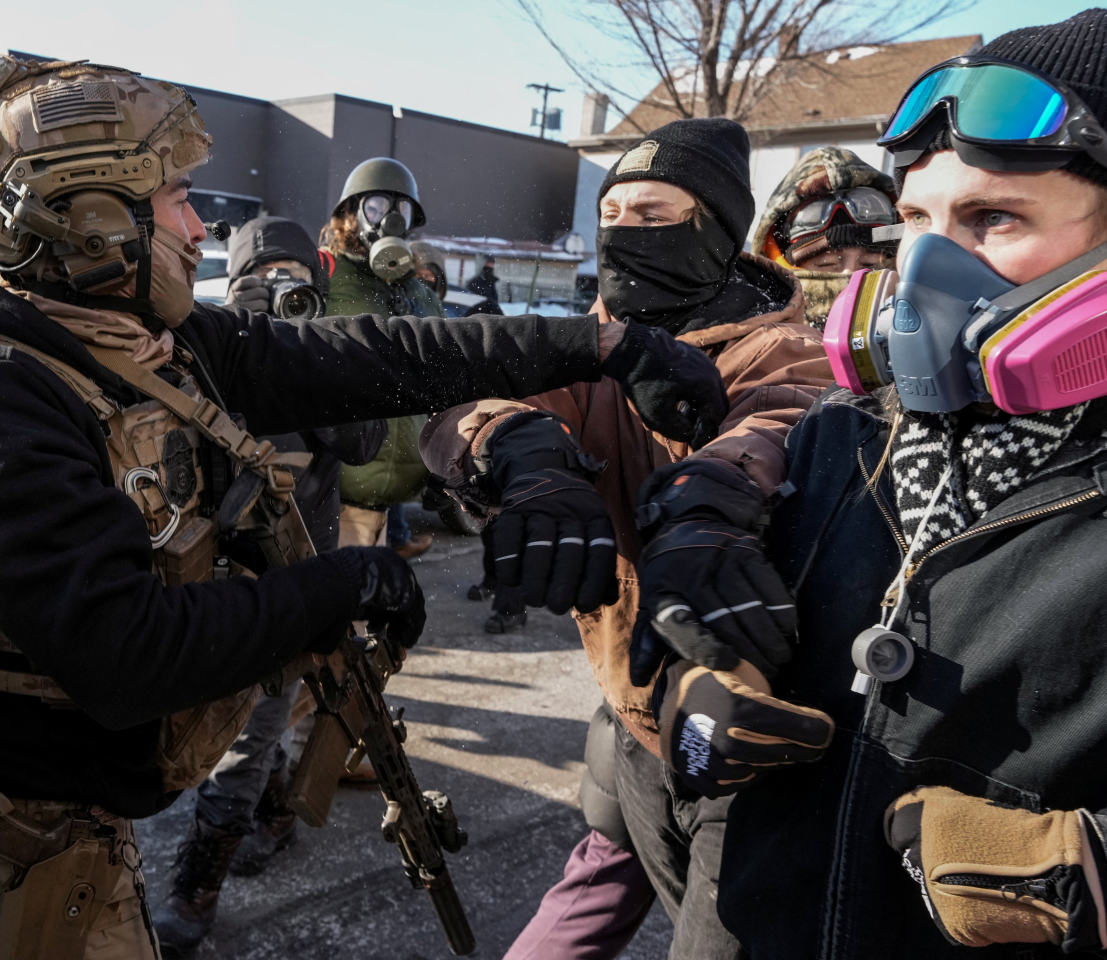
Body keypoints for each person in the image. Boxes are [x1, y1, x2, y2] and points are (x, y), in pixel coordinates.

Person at [0, 55, 720, 960]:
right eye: (180, 197)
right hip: (16, 853)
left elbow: (370, 353)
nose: (200, 227)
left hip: (82, 838)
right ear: (89, 221)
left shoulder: (125, 340)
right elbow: (127, 656)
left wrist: (599, 344)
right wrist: (343, 583)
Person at [636, 11, 1107, 958]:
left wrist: (1085, 869)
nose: (926, 269)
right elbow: (699, 637)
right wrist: (694, 685)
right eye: (919, 221)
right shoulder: (839, 439)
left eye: (994, 219)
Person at [422, 117, 834, 960]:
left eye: (652, 216)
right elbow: (476, 402)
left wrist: (709, 495)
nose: (622, 235)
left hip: (743, 730)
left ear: (714, 230)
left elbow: (784, 418)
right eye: (610, 215)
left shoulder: (780, 347)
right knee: (582, 903)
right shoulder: (597, 339)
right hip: (629, 713)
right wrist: (516, 449)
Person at [155, 215, 388, 956]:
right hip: (209, 580)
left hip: (296, 579)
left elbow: (363, 445)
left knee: (249, 736)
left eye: (296, 278)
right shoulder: (202, 348)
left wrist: (325, 359)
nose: (283, 290)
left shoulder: (317, 349)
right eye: (267, 277)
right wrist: (238, 339)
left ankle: (196, 888)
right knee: (231, 723)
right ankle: (275, 814)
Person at [324, 157, 442, 560]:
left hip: (390, 500)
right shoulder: (324, 276)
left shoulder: (422, 295)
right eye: (376, 206)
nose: (390, 218)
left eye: (401, 208)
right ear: (350, 215)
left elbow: (444, 378)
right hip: (332, 491)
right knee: (338, 606)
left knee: (372, 607)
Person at [750, 147, 900, 328]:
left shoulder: (918, 331)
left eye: (868, 264)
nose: (850, 275)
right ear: (784, 267)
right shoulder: (758, 342)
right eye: (827, 265)